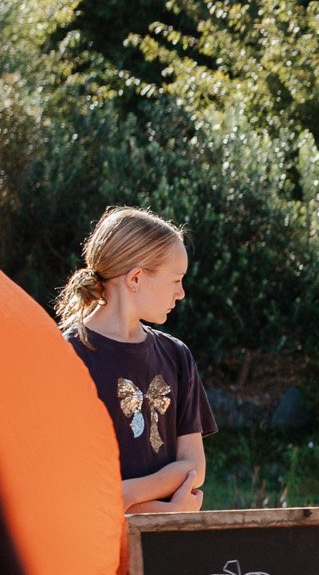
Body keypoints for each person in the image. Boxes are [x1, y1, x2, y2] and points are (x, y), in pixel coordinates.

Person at [56, 207, 215, 515]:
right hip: (94, 555)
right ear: (137, 278)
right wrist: (165, 511)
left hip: (162, 551)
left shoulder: (177, 355)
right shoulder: (66, 357)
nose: (181, 293)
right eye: (176, 280)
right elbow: (71, 489)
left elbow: (194, 466)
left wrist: (123, 495)